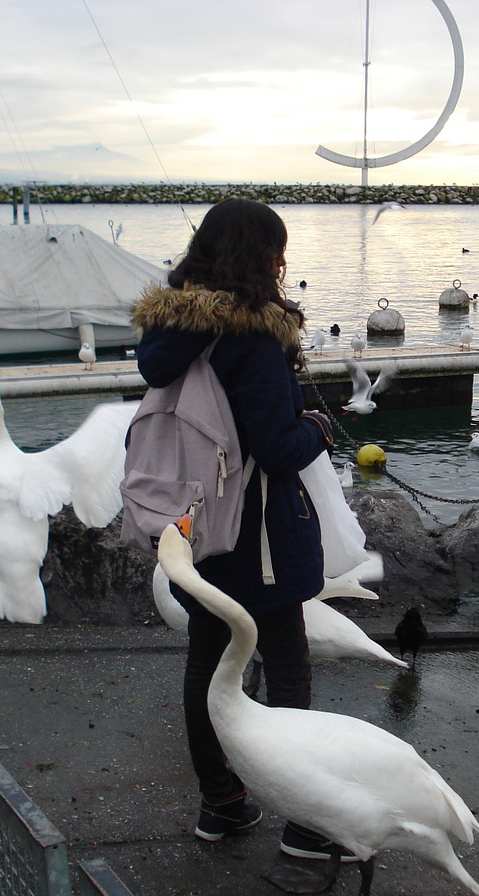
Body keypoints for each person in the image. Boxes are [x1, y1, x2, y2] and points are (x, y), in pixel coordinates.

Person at [132, 198, 347, 861]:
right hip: (256, 534)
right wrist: (318, 425)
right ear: (257, 256)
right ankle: (308, 823)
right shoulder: (253, 338)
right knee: (285, 665)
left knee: (208, 662)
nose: (283, 264)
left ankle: (221, 804)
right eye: (277, 250)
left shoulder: (171, 332)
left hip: (197, 524)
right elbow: (278, 449)